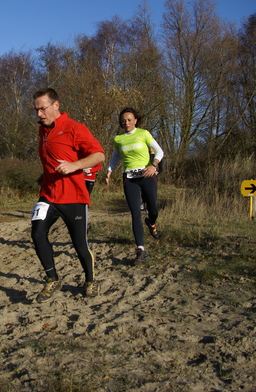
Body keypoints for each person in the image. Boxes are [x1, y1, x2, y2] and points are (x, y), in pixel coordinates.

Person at [30, 88, 106, 302]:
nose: (39, 114)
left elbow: (98, 155)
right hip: (48, 194)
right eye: (36, 110)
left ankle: (90, 280)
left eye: (42, 109)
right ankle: (52, 278)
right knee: (37, 233)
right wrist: (44, 174)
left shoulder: (74, 128)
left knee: (79, 244)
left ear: (56, 105)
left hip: (73, 196)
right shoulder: (43, 131)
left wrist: (75, 165)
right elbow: (54, 157)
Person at [106, 107, 164, 262]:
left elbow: (160, 152)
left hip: (147, 174)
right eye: (123, 120)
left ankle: (151, 222)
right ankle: (140, 249)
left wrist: (154, 165)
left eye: (129, 119)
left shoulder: (144, 133)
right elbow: (116, 156)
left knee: (153, 208)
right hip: (129, 178)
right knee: (135, 213)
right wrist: (110, 170)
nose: (126, 123)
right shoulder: (118, 139)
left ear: (136, 120)